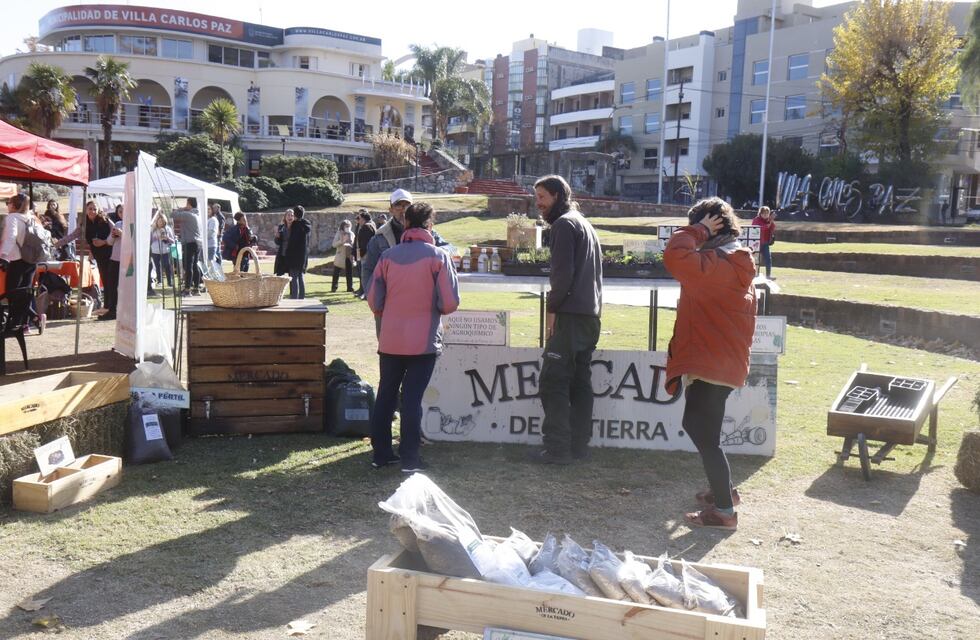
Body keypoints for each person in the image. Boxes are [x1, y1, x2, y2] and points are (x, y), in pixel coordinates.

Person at [663, 197, 757, 531]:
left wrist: (697, 230)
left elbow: (674, 256)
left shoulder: (719, 263)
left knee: (705, 435)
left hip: (712, 363)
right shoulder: (732, 261)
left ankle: (724, 512)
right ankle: (724, 494)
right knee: (702, 430)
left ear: (712, 228)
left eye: (703, 228)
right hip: (718, 362)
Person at [367, 202, 460, 472]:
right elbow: (450, 302)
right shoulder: (438, 257)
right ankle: (410, 457)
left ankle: (381, 454)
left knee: (385, 395)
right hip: (423, 341)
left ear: (405, 223)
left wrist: (391, 312)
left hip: (391, 338)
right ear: (430, 225)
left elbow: (374, 299)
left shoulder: (388, 256)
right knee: (411, 400)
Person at [528, 175, 603, 465]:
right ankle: (579, 446)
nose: (538, 203)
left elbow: (561, 277)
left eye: (542, 197)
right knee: (580, 382)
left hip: (571, 315)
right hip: (589, 315)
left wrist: (552, 312)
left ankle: (557, 449)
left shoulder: (563, 225)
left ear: (558, 195)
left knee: (554, 380)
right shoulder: (583, 222)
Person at [0, 193, 48, 332]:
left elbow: (10, 237)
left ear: (15, 205)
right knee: (25, 293)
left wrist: (3, 256)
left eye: (9, 202)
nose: (7, 204)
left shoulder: (12, 218)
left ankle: (19, 323)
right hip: (31, 260)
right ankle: (28, 322)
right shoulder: (32, 217)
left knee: (12, 293)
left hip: (16, 260)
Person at [57, 201, 114, 317]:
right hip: (99, 255)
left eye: (94, 209)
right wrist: (58, 243)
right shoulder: (84, 224)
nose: (92, 211)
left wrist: (104, 242)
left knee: (111, 280)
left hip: (110, 253)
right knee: (105, 278)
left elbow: (115, 231)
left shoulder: (105, 220)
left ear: (98, 210)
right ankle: (107, 306)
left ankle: (111, 307)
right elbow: (72, 236)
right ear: (86, 210)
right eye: (90, 209)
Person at [361, 189, 412, 299]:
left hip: (417, 297)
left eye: (407, 205)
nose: (403, 210)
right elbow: (368, 269)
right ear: (391, 210)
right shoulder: (379, 237)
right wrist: (373, 298)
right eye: (398, 205)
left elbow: (447, 247)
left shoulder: (425, 231)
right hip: (389, 297)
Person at [171, 196, 203, 295]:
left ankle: (187, 289)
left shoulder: (188, 214)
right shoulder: (197, 214)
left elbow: (173, 214)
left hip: (189, 243)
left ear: (189, 204)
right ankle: (196, 288)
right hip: (197, 243)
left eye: (186, 203)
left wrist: (181, 208)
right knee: (194, 265)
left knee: (188, 266)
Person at [285, 205, 312, 299]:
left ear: (295, 215)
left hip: (294, 254)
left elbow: (293, 241)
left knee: (294, 276)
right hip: (303, 254)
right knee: (300, 276)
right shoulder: (306, 224)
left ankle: (294, 297)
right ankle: (301, 297)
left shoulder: (296, 225)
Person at [352, 210, 375, 297]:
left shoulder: (366, 227)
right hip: (365, 253)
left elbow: (365, 243)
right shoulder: (370, 225)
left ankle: (365, 293)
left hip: (365, 254)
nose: (359, 220)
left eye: (360, 218)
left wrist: (361, 255)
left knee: (365, 274)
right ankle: (363, 292)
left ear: (364, 219)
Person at [150, 212, 176, 289]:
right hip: (155, 251)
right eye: (159, 221)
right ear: (157, 221)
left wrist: (166, 238)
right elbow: (150, 240)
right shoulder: (153, 230)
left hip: (165, 250)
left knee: (167, 265)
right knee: (157, 266)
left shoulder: (168, 229)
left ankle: (169, 282)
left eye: (162, 221)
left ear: (165, 221)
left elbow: (173, 241)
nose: (160, 222)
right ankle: (160, 281)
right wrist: (156, 238)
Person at [752, 206, 776, 280]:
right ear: (760, 213)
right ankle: (754, 275)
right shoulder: (756, 220)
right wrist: (770, 221)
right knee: (756, 260)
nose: (766, 215)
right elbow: (763, 228)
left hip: (765, 243)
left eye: (767, 213)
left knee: (768, 259)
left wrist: (771, 221)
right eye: (764, 213)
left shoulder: (768, 220)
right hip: (756, 243)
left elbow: (772, 228)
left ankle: (768, 275)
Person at [331, 219, 355, 293]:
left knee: (349, 273)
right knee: (336, 272)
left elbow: (354, 243)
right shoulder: (339, 233)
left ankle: (350, 287)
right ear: (343, 226)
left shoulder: (352, 234)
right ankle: (334, 287)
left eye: (349, 226)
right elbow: (334, 244)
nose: (348, 227)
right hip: (340, 255)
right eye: (346, 226)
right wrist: (341, 241)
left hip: (349, 255)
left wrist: (351, 243)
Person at [273, 209, 294, 276]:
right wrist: (277, 237)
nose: (290, 217)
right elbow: (277, 242)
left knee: (292, 278)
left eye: (292, 215)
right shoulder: (281, 227)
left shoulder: (296, 228)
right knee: (279, 276)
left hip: (292, 256)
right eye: (288, 215)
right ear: (285, 217)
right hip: (282, 255)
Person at [207, 203, 224, 276]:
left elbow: (211, 232)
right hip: (207, 244)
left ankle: (216, 278)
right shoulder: (208, 219)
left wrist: (202, 238)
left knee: (211, 262)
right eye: (206, 209)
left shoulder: (213, 219)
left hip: (211, 243)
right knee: (209, 263)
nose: (207, 211)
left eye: (209, 209)